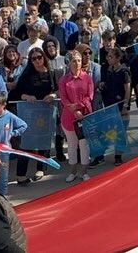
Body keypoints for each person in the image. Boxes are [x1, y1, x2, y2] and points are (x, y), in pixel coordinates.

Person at [14, 47, 58, 184]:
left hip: (46, 112)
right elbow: (16, 93)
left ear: (44, 57)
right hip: (29, 113)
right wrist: (26, 96)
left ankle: (41, 168)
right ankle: (21, 175)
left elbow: (56, 90)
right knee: (27, 143)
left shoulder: (51, 73)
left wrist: (52, 95)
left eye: (39, 57)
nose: (37, 60)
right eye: (34, 58)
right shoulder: (26, 74)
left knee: (44, 140)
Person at [58, 50, 94, 182]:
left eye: (79, 60)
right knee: (72, 146)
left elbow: (89, 96)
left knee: (84, 145)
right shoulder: (64, 80)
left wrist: (78, 107)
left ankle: (84, 171)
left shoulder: (87, 78)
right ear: (69, 63)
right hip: (69, 118)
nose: (77, 63)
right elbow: (63, 98)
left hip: (84, 116)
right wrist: (73, 110)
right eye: (74, 61)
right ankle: (72, 171)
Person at [99, 47, 132, 166]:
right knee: (111, 129)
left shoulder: (124, 71)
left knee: (121, 131)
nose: (108, 59)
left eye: (111, 57)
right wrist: (103, 84)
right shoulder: (109, 69)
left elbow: (127, 89)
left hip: (120, 106)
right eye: (108, 56)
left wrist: (125, 105)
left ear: (118, 58)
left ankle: (118, 155)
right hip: (109, 104)